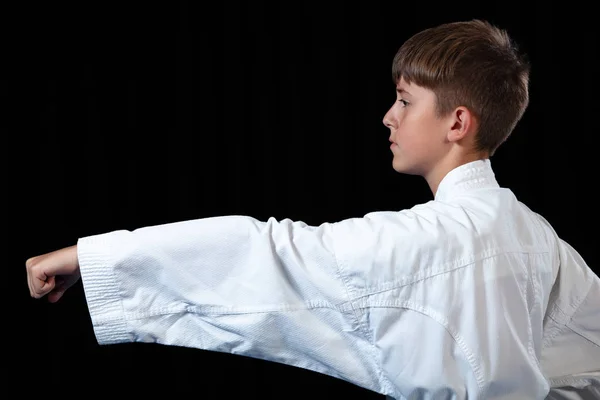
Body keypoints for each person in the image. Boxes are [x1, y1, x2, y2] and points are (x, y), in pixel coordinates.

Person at [26, 19, 600, 399]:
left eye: (405, 100)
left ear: (457, 122)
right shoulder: (541, 239)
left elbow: (269, 253)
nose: (388, 116)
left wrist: (94, 257)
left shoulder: (427, 238)